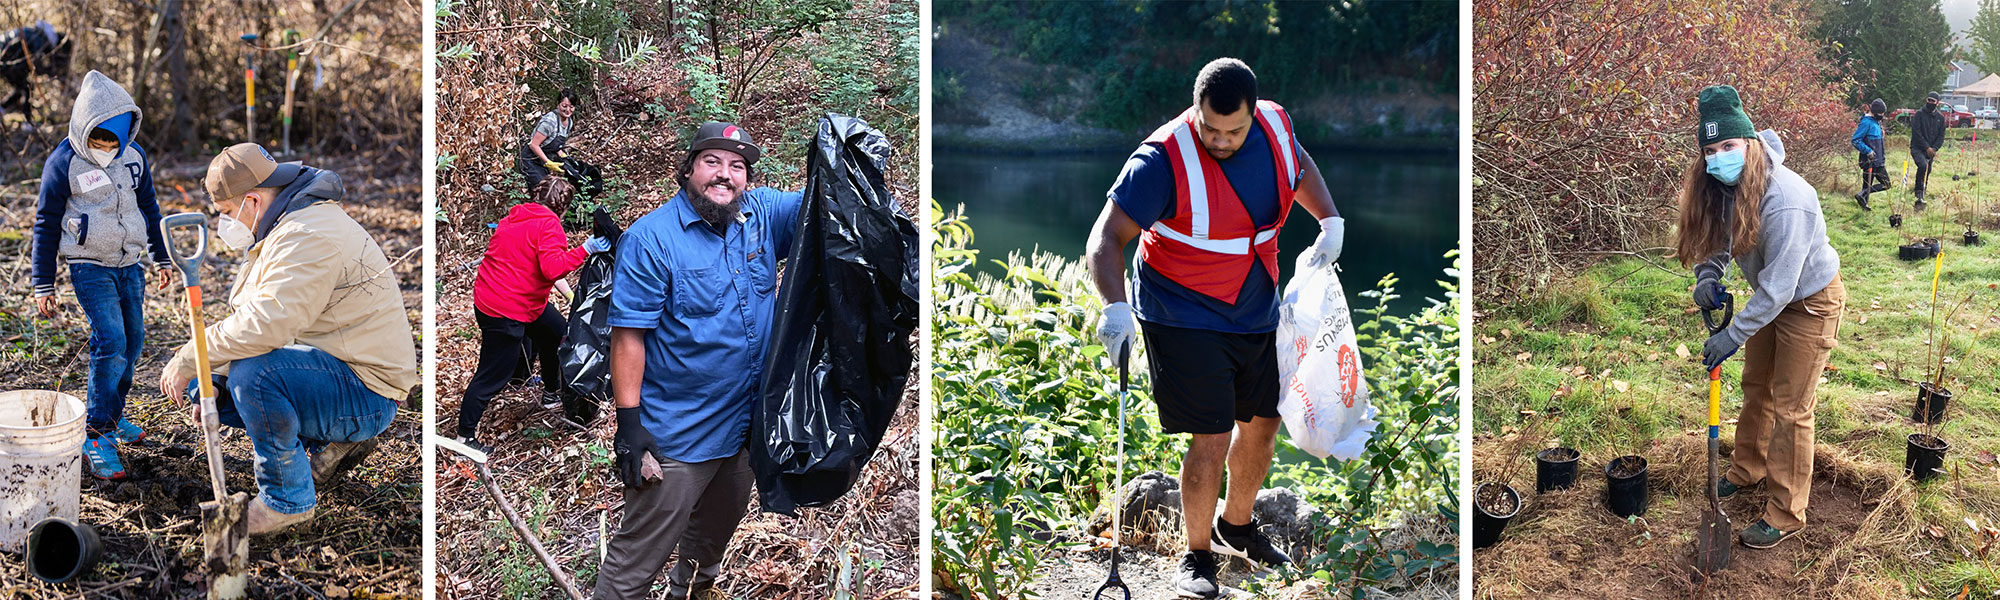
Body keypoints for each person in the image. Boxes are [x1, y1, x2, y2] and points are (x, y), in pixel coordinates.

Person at [1084, 58, 1341, 598]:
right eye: (1210, 128)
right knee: (1212, 435)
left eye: (1233, 130)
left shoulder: (1274, 124)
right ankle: (1196, 556)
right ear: (1195, 109)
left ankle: (1237, 526)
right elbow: (1105, 239)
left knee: (1264, 422)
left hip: (1255, 303)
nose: (1220, 140)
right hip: (1182, 312)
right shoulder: (1159, 160)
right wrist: (1114, 307)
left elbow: (1300, 166)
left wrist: (1329, 219)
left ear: (1253, 113)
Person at [158, 143, 418, 536]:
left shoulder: (306, 234)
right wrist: (213, 374)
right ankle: (324, 445)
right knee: (210, 384)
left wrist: (193, 353)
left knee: (256, 376)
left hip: (369, 391)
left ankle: (286, 502)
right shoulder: (284, 226)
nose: (225, 226)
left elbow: (268, 325)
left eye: (227, 214)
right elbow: (255, 317)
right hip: (335, 365)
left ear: (251, 200)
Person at [595, 122, 802, 599]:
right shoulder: (652, 239)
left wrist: (837, 149)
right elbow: (629, 337)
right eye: (712, 162)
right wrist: (629, 427)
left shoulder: (763, 214)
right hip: (678, 438)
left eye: (738, 166)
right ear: (689, 168)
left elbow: (823, 204)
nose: (725, 175)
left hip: (743, 431)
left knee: (708, 548)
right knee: (634, 564)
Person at [1681, 85, 1844, 550]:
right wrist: (1707, 276)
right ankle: (1747, 468)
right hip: (1770, 300)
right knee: (1756, 387)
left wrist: (1732, 334)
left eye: (1728, 146)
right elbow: (1716, 240)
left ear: (1750, 143)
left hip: (1809, 301)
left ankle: (1786, 511)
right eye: (1710, 150)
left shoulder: (1787, 197)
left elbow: (1780, 288)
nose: (1718, 157)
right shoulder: (1723, 185)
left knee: (1792, 407)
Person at [30, 70, 172, 481]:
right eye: (100, 141)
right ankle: (96, 432)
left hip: (130, 264)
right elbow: (45, 221)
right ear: (83, 130)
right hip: (89, 265)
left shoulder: (134, 157)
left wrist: (162, 258)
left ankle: (114, 415)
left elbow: (150, 207)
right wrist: (44, 282)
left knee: (134, 339)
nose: (108, 149)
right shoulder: (64, 163)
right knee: (110, 340)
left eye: (115, 141)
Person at [456, 176, 608, 453]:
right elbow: (552, 269)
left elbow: (532, 265)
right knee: (493, 374)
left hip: (505, 299)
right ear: (563, 207)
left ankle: (551, 392)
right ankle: (464, 438)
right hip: (505, 309)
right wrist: (585, 249)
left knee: (556, 332)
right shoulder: (549, 225)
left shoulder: (516, 216)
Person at [517, 89, 577, 190]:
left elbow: (555, 145)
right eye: (564, 106)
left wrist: (563, 157)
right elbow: (533, 144)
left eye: (571, 107)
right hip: (531, 160)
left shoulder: (569, 122)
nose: (568, 110)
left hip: (544, 161)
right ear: (558, 104)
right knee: (542, 190)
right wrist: (548, 163)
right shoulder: (550, 122)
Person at [1909, 91, 1948, 209]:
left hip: (1931, 151)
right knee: (1922, 166)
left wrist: (1934, 148)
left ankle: (1922, 194)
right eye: (1929, 100)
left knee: (1927, 171)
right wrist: (1926, 147)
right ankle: (1918, 191)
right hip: (1917, 148)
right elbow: (1916, 133)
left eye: (1933, 101)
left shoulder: (1940, 118)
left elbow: (1941, 136)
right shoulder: (1919, 115)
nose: (1930, 103)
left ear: (1938, 103)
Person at [1850, 97, 1889, 209]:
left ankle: (1862, 194)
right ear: (1874, 112)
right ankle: (1864, 211)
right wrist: (1868, 151)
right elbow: (1855, 140)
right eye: (1880, 113)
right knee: (1867, 185)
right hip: (1869, 161)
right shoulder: (1866, 122)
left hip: (1879, 161)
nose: (1882, 115)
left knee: (1886, 184)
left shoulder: (1876, 122)